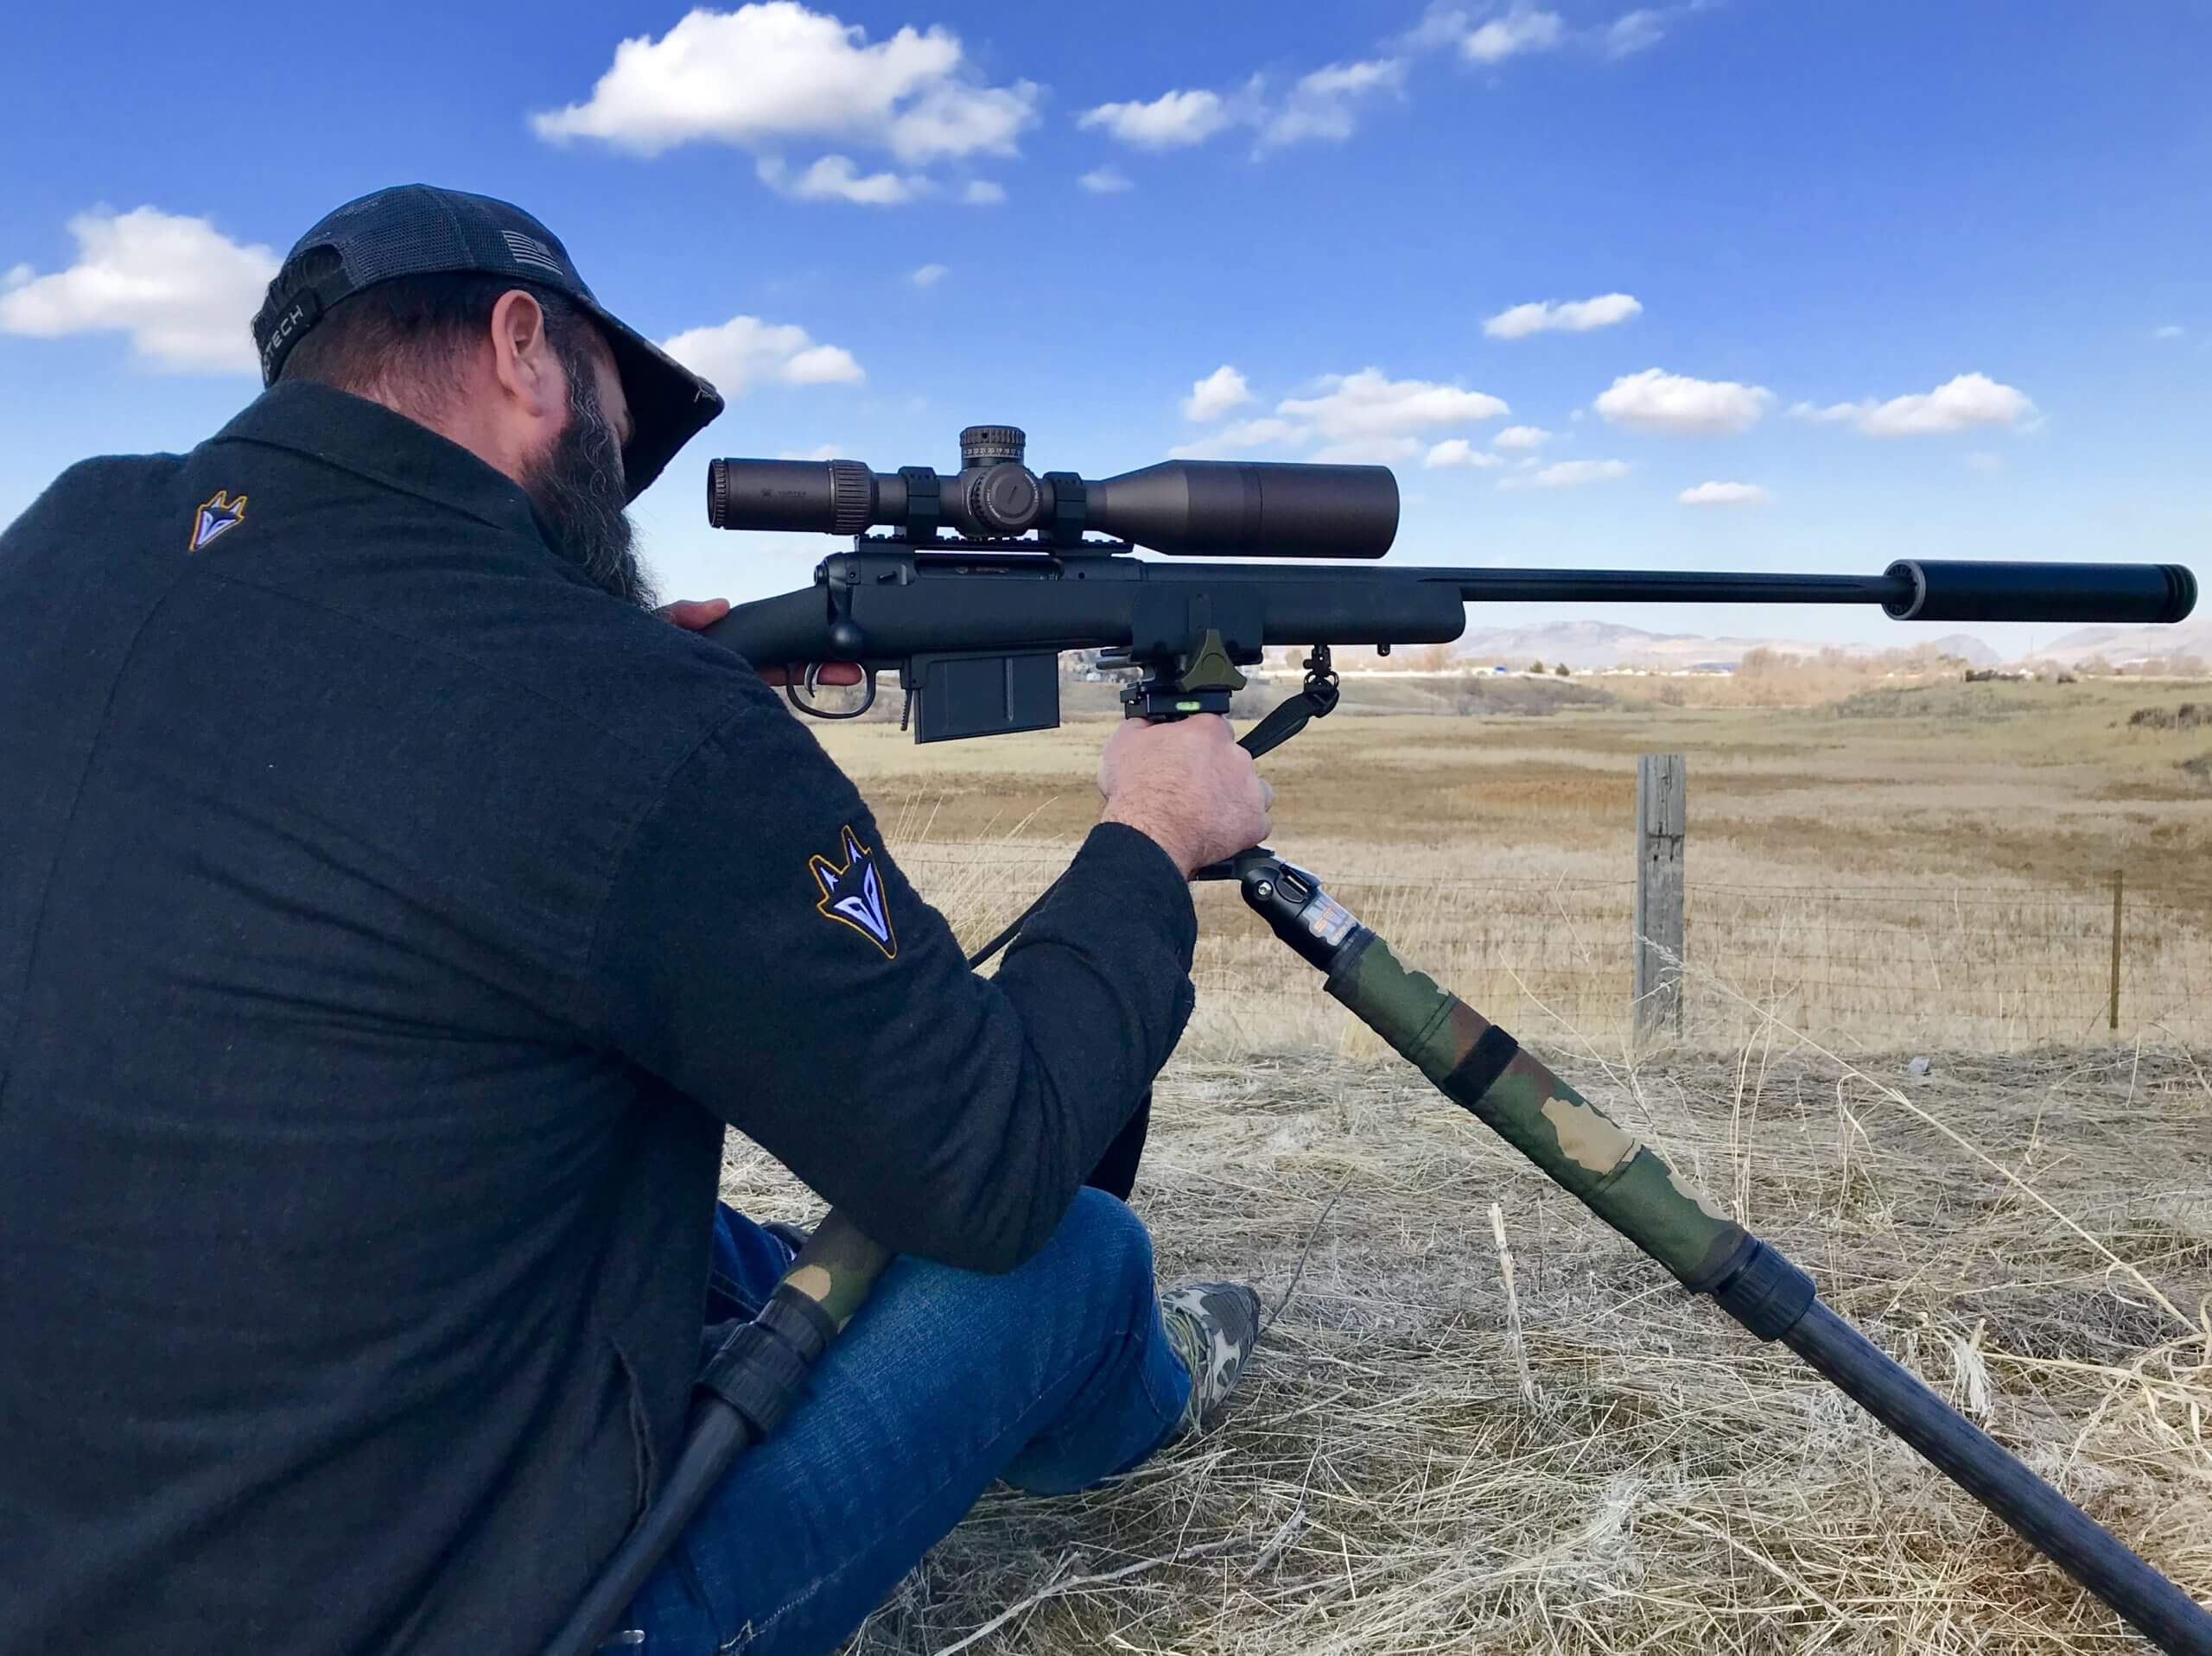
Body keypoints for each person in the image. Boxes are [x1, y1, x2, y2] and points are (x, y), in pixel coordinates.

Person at [0, 185, 1273, 1655]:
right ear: (522, 348)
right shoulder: (627, 715)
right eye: (616, 430)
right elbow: (990, 1164)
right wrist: (1149, 834)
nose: (618, 505)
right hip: (470, 1616)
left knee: (695, 1233)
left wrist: (638, 705)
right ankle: (1140, 1384)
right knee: (1075, 1258)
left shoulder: (66, 537)